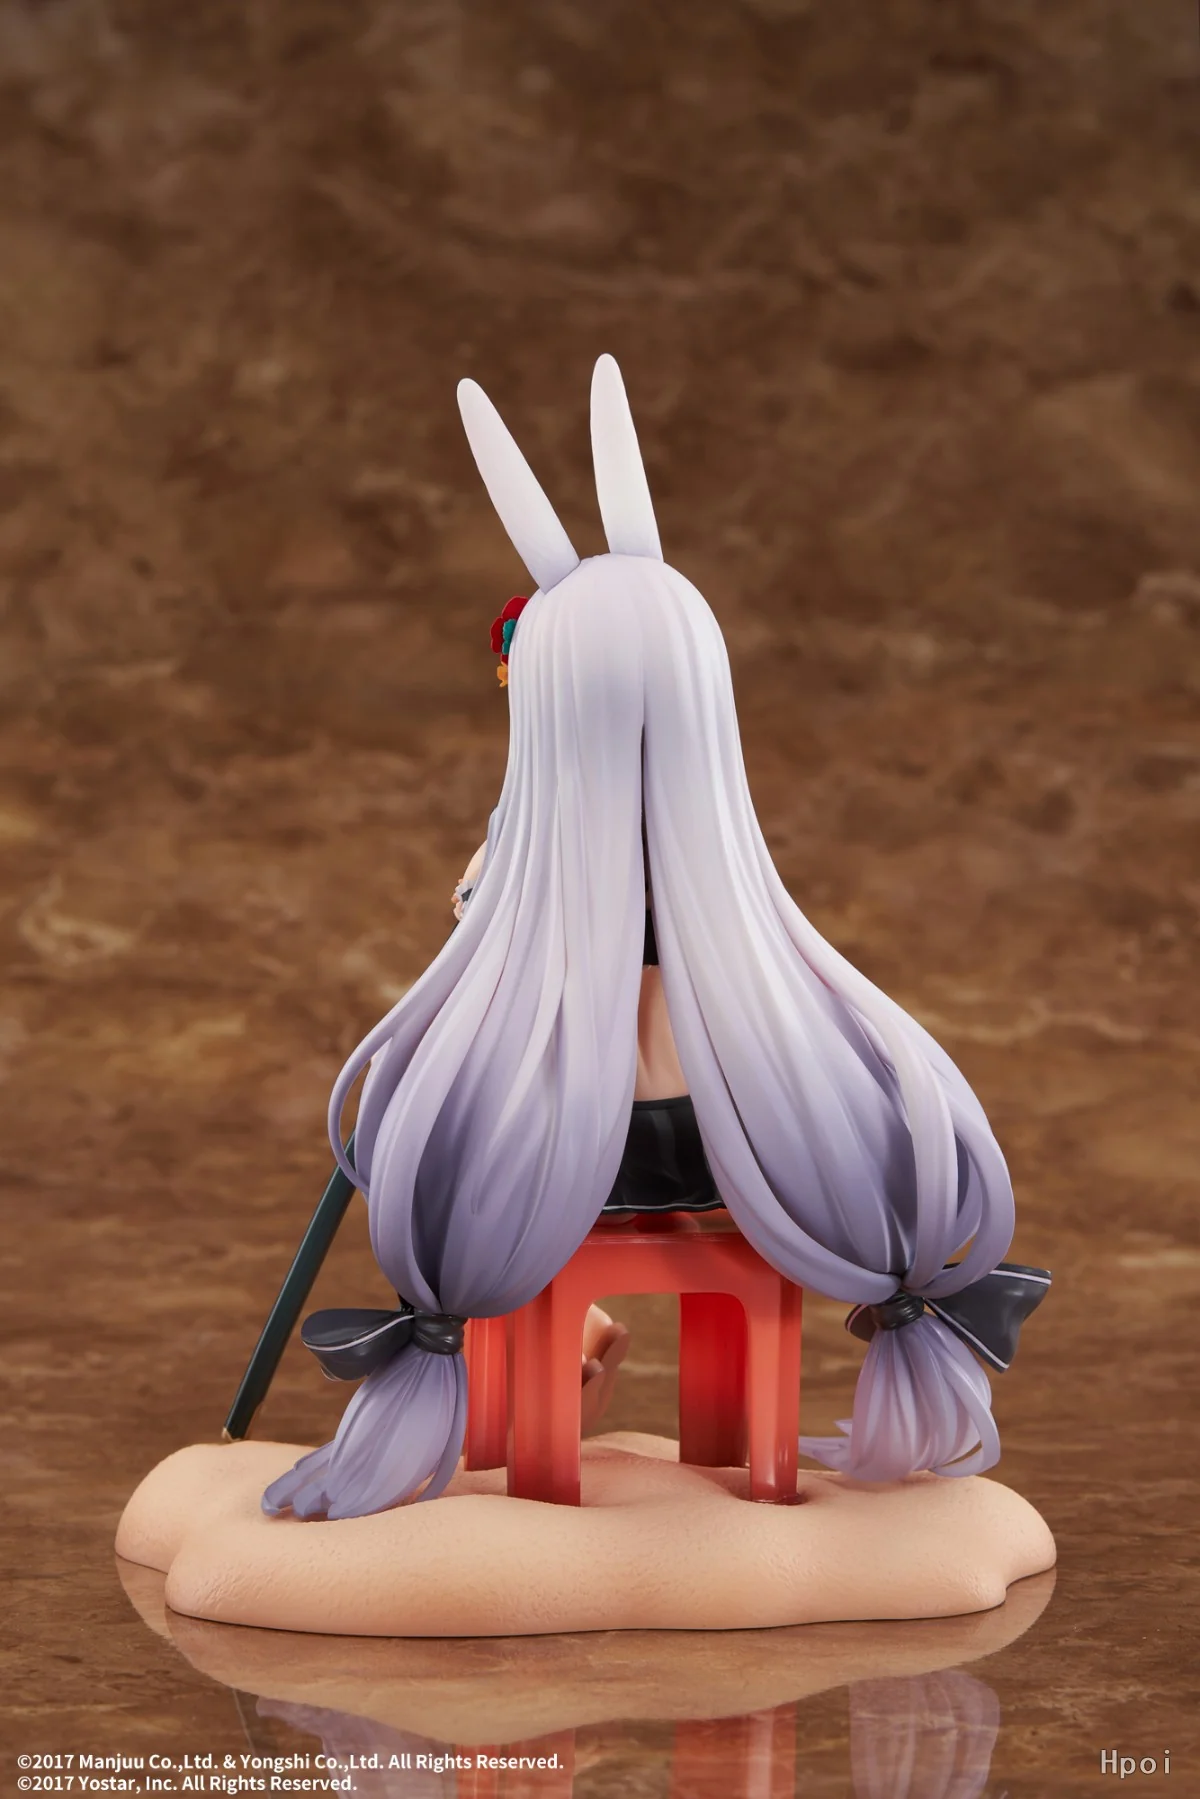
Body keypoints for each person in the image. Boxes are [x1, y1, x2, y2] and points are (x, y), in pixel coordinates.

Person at [262, 356, 1046, 1524]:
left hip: (585, 1156)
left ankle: (543, 1347)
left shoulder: (526, 863)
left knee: (469, 1140)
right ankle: (583, 1349)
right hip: (728, 1142)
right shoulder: (720, 872)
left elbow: (482, 976)